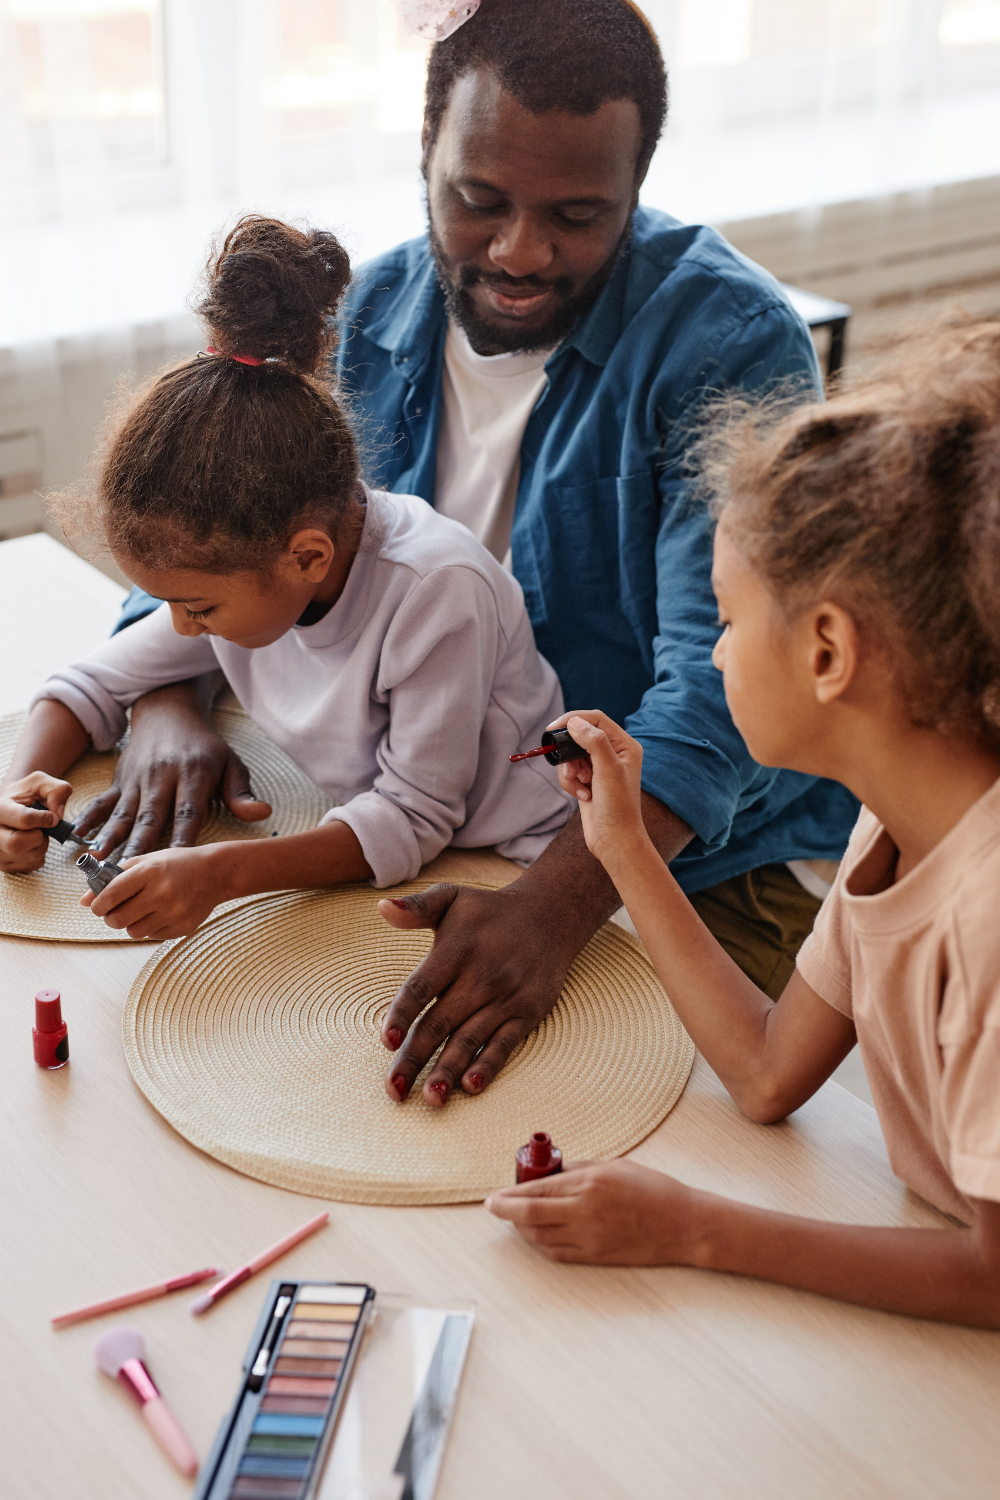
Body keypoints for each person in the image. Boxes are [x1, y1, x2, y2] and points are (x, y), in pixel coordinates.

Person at [82, 0, 859, 1101]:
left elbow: (728, 684)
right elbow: (201, 517)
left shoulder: (728, 348)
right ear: (424, 156)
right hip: (430, 807)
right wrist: (169, 704)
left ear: (638, 185)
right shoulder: (370, 309)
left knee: (585, 1117)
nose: (520, 253)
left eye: (580, 215)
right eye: (477, 202)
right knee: (267, 1074)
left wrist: (557, 901)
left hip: (687, 854)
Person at [486, 322, 1000, 1328]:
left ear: (826, 652)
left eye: (723, 619)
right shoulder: (892, 824)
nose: (713, 657)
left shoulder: (986, 914)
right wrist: (624, 848)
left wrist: (693, 1228)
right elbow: (766, 1072)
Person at [0, 217, 569, 938]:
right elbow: (88, 686)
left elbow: (417, 815)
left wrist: (223, 874)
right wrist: (21, 788)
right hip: (379, 833)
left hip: (502, 858)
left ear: (307, 558)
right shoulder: (258, 570)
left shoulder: (436, 590)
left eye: (197, 608)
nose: (179, 626)